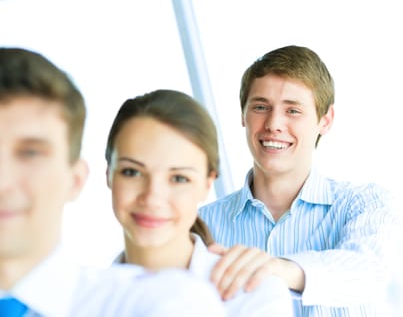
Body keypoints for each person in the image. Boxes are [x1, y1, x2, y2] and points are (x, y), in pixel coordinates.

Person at [0, 47, 225, 317]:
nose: (2, 180)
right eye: (133, 172)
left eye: (31, 153)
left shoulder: (165, 306)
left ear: (76, 180)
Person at [198, 45, 400, 316]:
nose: (273, 124)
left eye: (292, 110)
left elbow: (368, 271)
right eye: (260, 107)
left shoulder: (363, 204)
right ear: (243, 115)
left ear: (325, 121)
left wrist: (277, 269)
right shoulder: (202, 226)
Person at [104, 89, 293, 317]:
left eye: (179, 178)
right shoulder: (84, 299)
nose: (152, 197)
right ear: (109, 174)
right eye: (132, 172)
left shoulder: (254, 294)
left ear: (207, 183)